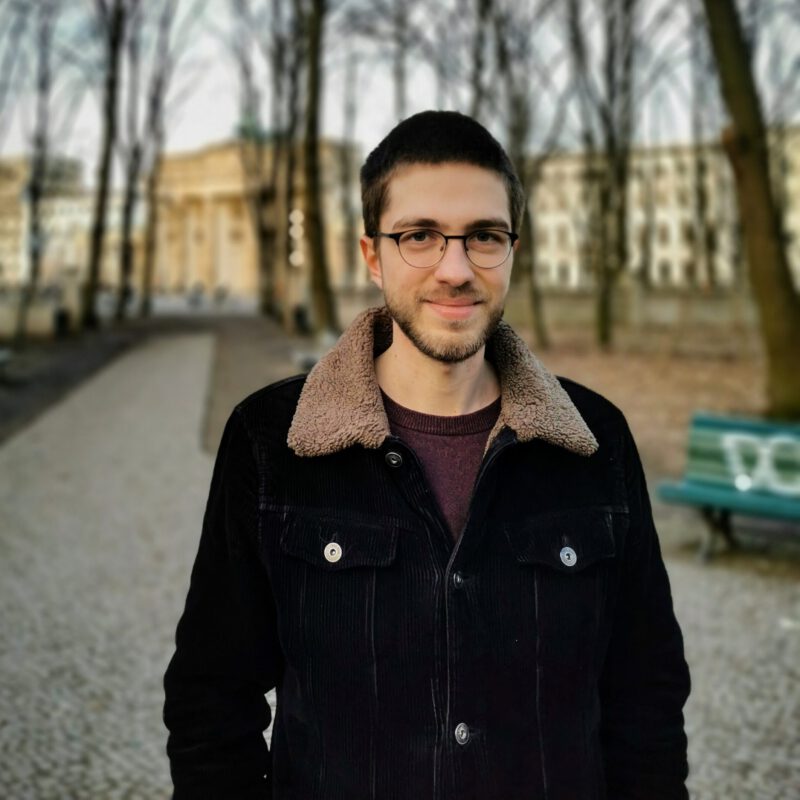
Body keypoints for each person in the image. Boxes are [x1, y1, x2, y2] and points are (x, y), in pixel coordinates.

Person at [163, 110, 691, 799]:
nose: (455, 269)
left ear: (513, 250)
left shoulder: (595, 441)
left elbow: (646, 701)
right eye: (419, 236)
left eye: (484, 236)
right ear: (372, 256)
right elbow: (211, 701)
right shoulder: (270, 441)